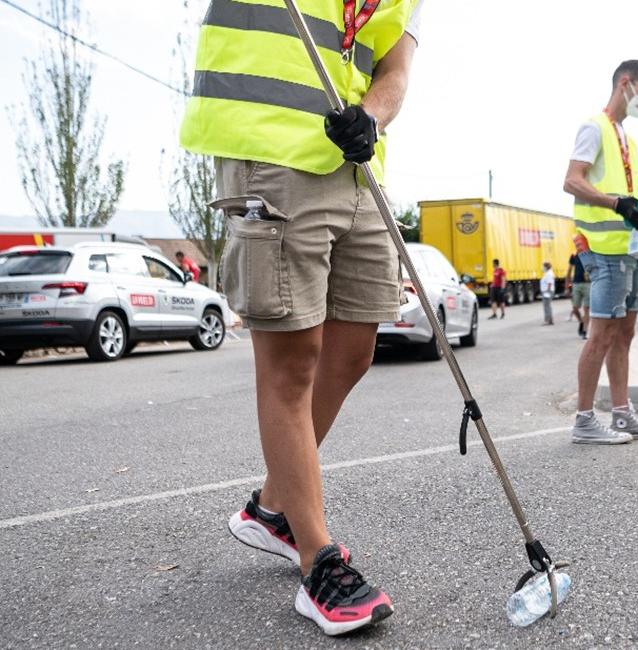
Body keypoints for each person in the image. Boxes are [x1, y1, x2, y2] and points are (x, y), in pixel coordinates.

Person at [179, 0, 423, 636]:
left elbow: (395, 66)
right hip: (270, 152)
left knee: (354, 350)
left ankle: (271, 509)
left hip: (355, 163)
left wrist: (372, 115)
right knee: (292, 363)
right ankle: (319, 561)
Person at [563, 60, 638, 445]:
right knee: (601, 335)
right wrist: (615, 204)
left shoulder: (628, 138)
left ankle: (622, 415)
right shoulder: (594, 127)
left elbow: (637, 195)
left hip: (630, 251)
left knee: (624, 333)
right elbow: (572, 181)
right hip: (603, 251)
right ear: (626, 83)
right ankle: (585, 421)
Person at [566, 241, 591, 339]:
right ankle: (581, 322)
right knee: (575, 308)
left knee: (586, 309)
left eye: (579, 244)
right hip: (576, 284)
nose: (578, 246)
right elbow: (568, 272)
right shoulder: (574, 256)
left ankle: (584, 331)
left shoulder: (589, 255)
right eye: (577, 245)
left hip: (588, 284)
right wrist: (567, 287)